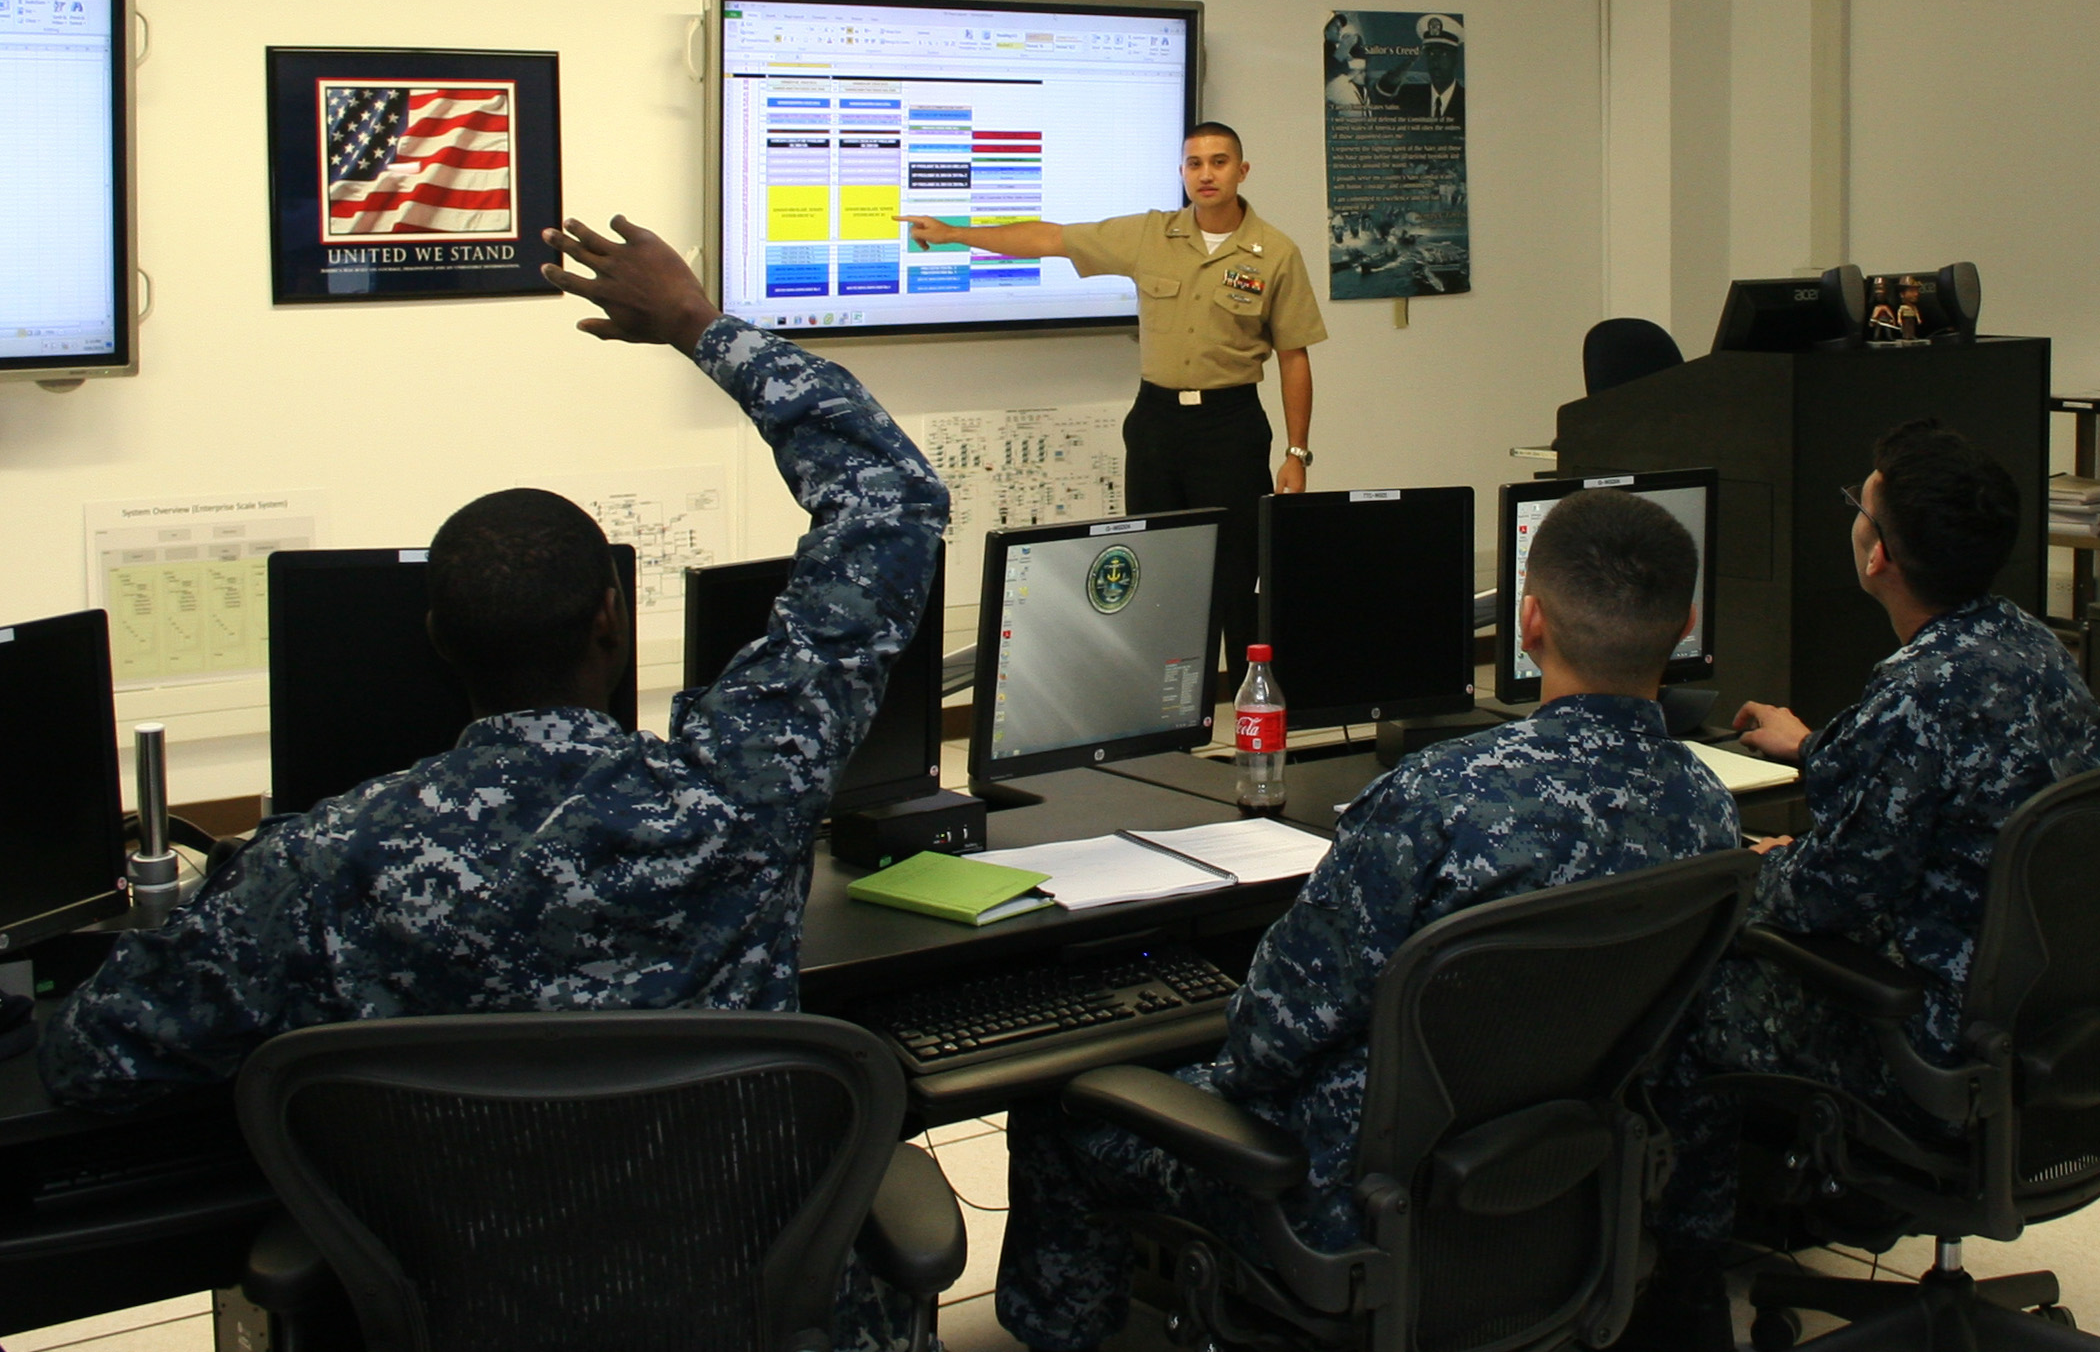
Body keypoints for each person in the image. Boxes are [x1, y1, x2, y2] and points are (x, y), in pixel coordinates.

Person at [38, 214, 948, 1349]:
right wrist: (698, 326)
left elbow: (91, 1057)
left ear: (437, 642)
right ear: (610, 623)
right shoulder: (740, 801)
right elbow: (892, 503)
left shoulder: (324, 864)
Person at [994, 489, 1742, 1351]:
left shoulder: (1442, 796)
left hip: (1345, 1201)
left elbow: (1272, 1034)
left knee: (1065, 1106)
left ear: (1528, 623)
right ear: (1683, 622)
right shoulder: (1705, 806)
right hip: (1560, 1181)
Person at [1635, 418, 2100, 1351]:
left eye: (1863, 504)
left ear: (1878, 553)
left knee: (1679, 999)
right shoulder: (2034, 649)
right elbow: (1961, 782)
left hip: (1930, 1036)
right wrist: (1816, 749)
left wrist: (1746, 874)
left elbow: (1826, 901)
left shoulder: (1916, 695)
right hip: (2048, 1031)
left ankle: (1679, 1306)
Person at [897, 121, 1325, 677]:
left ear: (1242, 172)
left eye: (1219, 162)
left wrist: (1297, 454)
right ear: (1182, 173)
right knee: (1150, 566)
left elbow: (1295, 357)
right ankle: (1160, 712)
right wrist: (957, 235)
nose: (1206, 173)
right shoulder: (1149, 235)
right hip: (1156, 424)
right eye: (1194, 163)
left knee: (1238, 575)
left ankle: (1254, 712)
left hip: (1231, 424)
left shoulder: (1276, 253)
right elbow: (1050, 238)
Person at [1378, 13, 1466, 122]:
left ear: (1455, 59)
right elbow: (1380, 105)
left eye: (1443, 54)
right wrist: (1406, 65)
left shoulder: (1466, 99)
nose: (1435, 61)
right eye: (1431, 54)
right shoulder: (1410, 95)